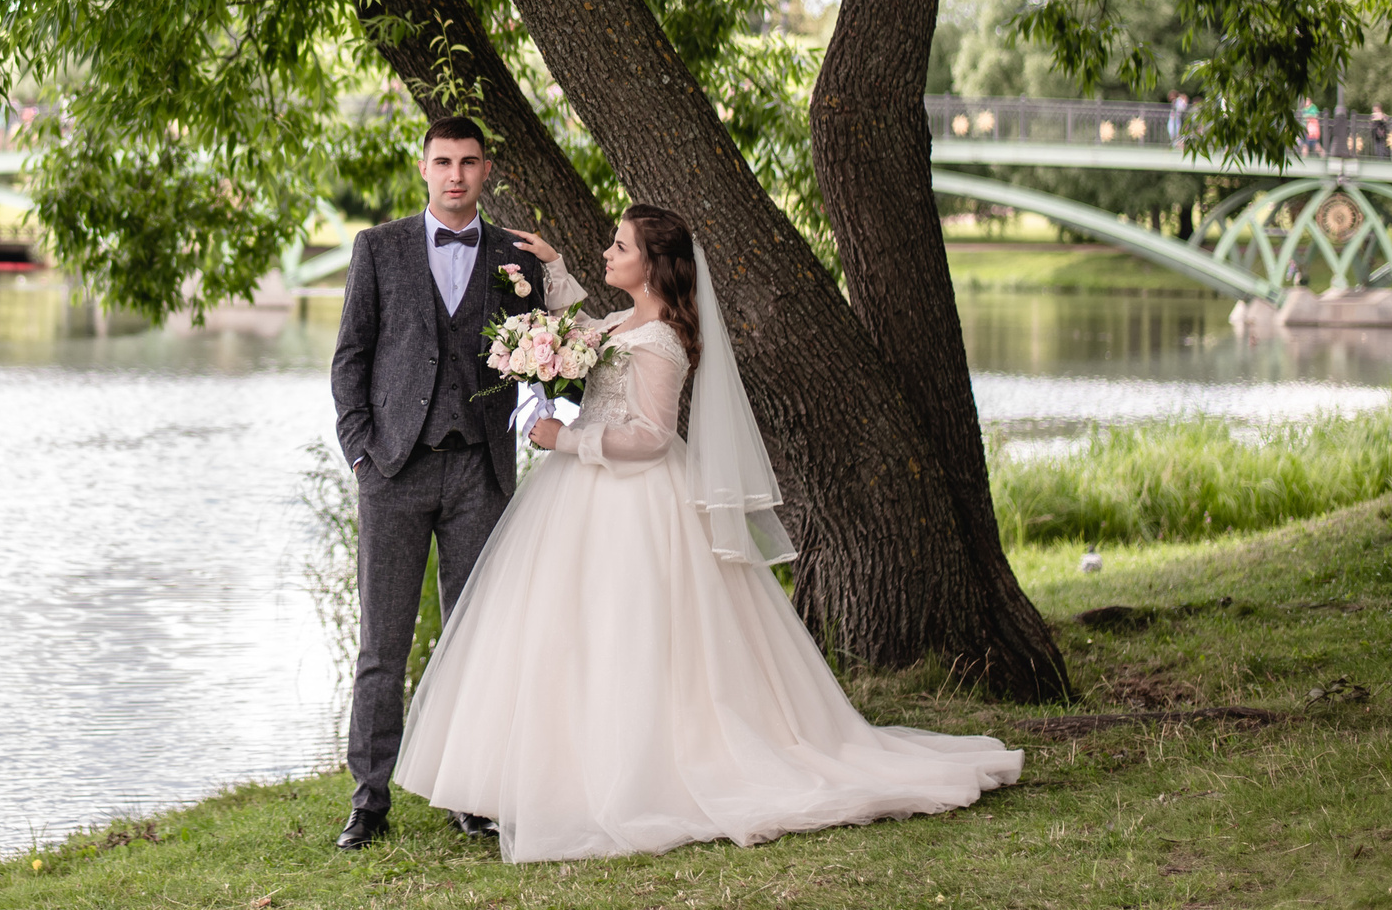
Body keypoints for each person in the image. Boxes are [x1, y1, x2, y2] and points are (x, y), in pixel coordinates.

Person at [395, 206, 1022, 862]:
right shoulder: (624, 321)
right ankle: (549, 769)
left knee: (635, 637)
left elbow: (652, 437)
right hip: (581, 496)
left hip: (635, 499)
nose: (608, 253)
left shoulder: (663, 339)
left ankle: (634, 770)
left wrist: (567, 438)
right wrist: (553, 267)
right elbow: (582, 333)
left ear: (654, 265)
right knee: (571, 631)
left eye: (620, 246)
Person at [329, 116, 551, 851]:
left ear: (488, 170)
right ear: (424, 168)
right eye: (443, 162)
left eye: (469, 163)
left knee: (474, 641)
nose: (455, 175)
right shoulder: (379, 248)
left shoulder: (517, 258)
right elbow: (349, 360)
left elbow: (552, 355)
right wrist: (361, 451)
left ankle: (470, 794)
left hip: (480, 474)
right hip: (393, 470)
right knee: (382, 646)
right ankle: (369, 799)